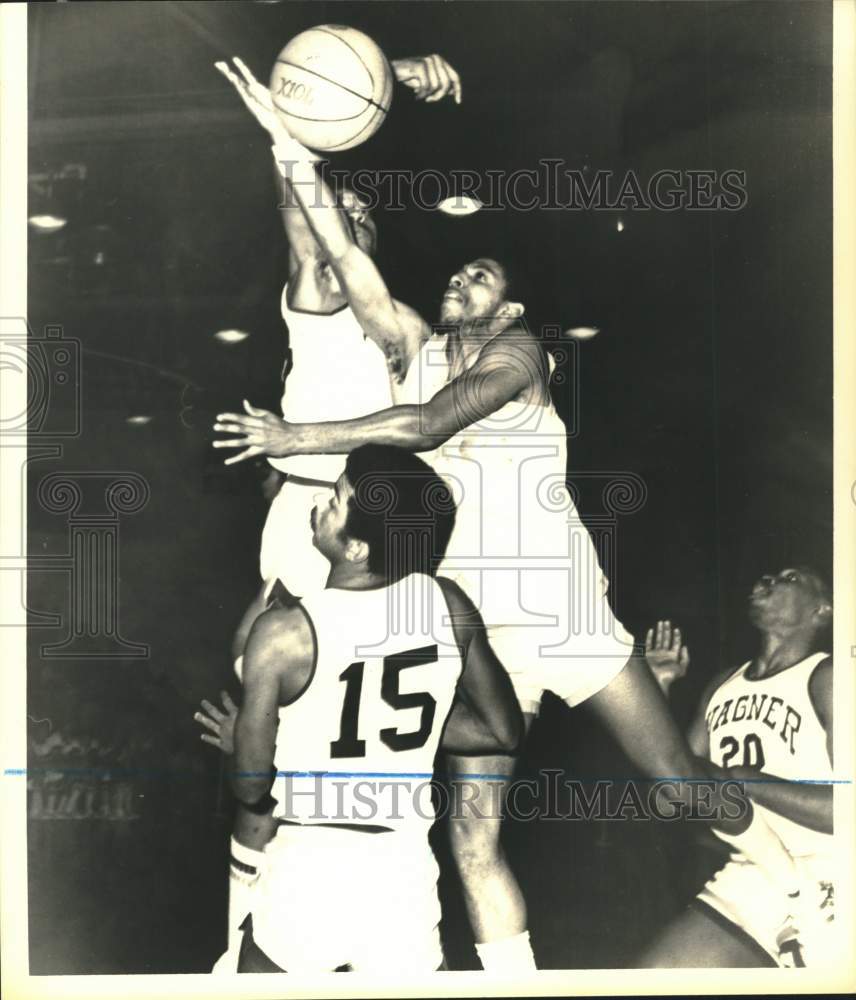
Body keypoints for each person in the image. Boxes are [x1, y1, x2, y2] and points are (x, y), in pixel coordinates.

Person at [211, 58, 805, 973]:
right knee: (473, 840)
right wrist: (291, 146)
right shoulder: (413, 343)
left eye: (482, 276)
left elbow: (424, 425)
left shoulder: (523, 356)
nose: (462, 281)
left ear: (512, 306)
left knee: (677, 782)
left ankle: (791, 850)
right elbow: (345, 253)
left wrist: (294, 433)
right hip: (476, 621)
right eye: (458, 274)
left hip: (561, 608)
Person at [198, 53, 463, 971]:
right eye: (324, 211)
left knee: (334, 709)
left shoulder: (404, 336)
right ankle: (247, 897)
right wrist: (287, 135)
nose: (329, 224)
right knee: (257, 683)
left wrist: (290, 440)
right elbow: (312, 237)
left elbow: (339, 244)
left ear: (375, 235)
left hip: (362, 523)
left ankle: (327, 884)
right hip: (307, 510)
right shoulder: (313, 302)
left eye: (351, 215)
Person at [223, 443, 522, 972]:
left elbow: (250, 787)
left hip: (308, 872)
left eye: (335, 499)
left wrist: (249, 740)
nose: (320, 504)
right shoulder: (447, 604)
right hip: (402, 873)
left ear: (358, 547)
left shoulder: (284, 633)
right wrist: (408, 725)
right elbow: (502, 732)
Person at [639, 566, 834, 968]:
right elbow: (669, 798)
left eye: (791, 577)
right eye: (767, 576)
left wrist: (741, 779)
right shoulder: (722, 685)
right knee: (650, 980)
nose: (768, 580)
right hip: (752, 872)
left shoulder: (829, 677)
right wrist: (659, 686)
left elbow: (844, 811)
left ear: (823, 610)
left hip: (834, 871)